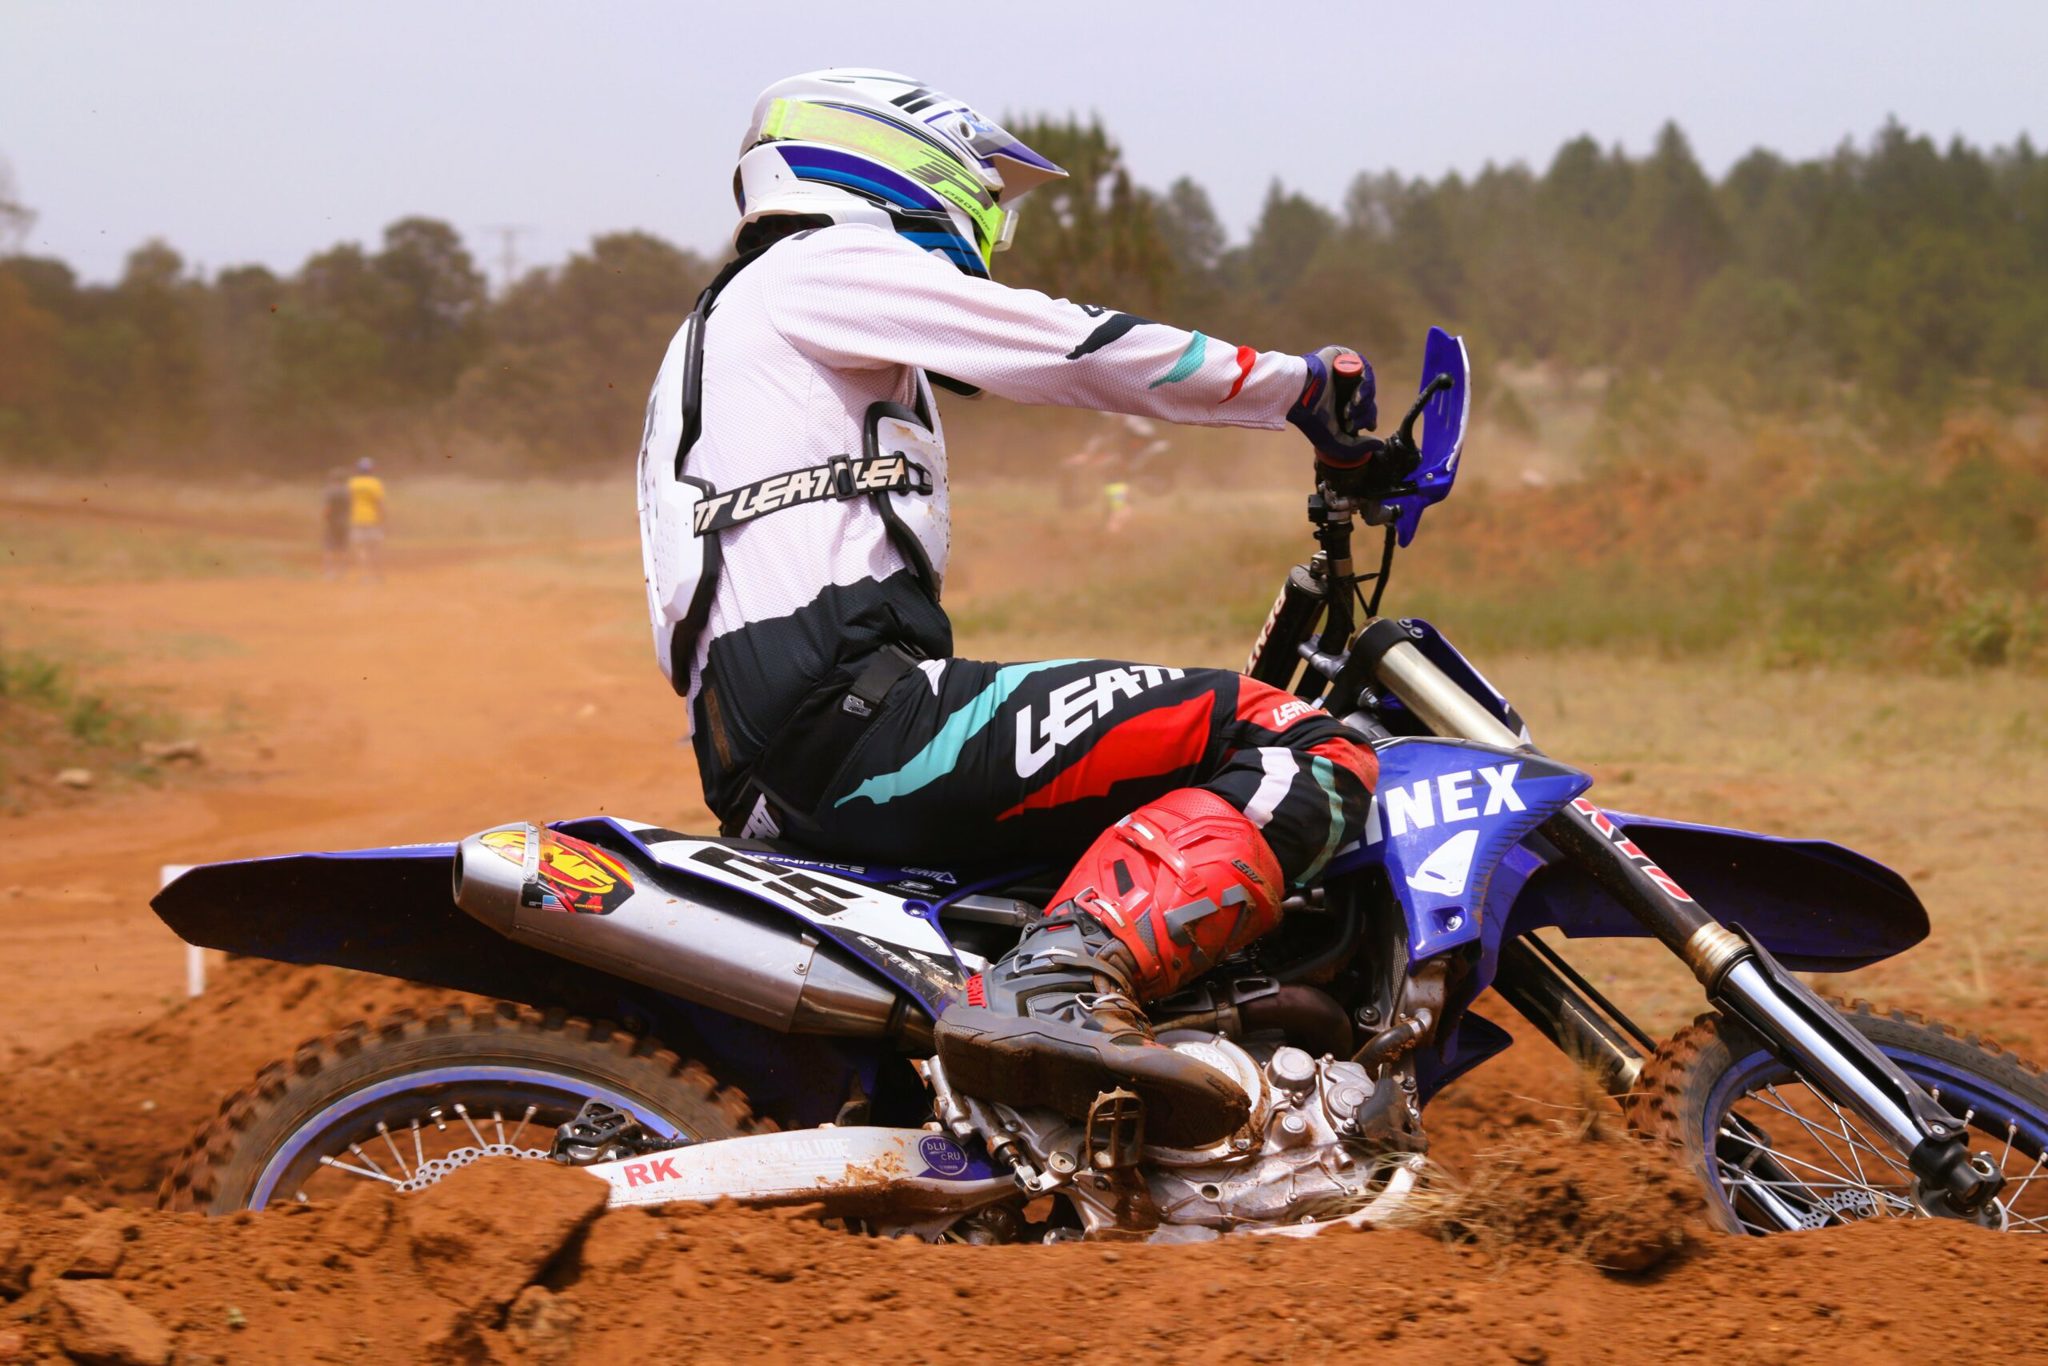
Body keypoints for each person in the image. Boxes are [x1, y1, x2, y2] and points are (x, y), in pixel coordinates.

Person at [636, 70, 1403, 1147]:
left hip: (788, 738)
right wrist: (1296, 389)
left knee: (1168, 764)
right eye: (984, 193)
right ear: (894, 164)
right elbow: (1060, 345)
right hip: (852, 717)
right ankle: (1058, 988)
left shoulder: (749, 325)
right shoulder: (815, 268)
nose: (990, 223)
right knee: (1298, 748)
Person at [346, 456, 386, 581]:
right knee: (375, 548)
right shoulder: (375, 483)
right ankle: (377, 575)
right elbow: (379, 503)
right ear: (371, 469)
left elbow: (347, 502)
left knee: (360, 549)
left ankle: (365, 575)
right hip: (373, 519)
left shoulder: (352, 483)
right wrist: (384, 518)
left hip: (356, 519)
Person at [320, 466, 351, 579]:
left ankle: (329, 572)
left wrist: (324, 518)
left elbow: (327, 508)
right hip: (345, 522)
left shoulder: (330, 491)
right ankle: (342, 571)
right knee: (343, 547)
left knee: (329, 547)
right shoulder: (348, 491)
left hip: (332, 522)